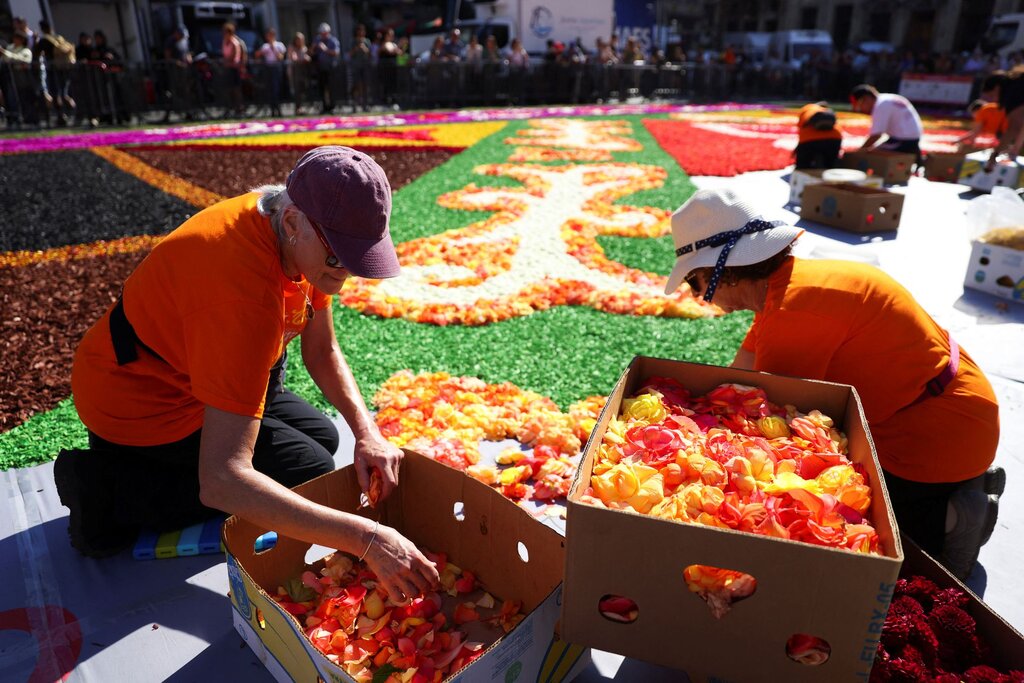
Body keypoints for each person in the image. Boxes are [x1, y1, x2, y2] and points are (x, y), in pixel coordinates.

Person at [57, 146, 440, 601]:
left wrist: (368, 432)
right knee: (309, 470)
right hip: (140, 402)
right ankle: (105, 489)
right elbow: (222, 479)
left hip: (193, 369)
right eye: (340, 258)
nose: (348, 273)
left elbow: (323, 349)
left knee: (324, 439)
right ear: (294, 222)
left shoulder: (289, 230)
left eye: (361, 258)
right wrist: (367, 539)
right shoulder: (243, 298)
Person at [664, 188, 1004, 581]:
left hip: (935, 434)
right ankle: (967, 482)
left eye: (694, 281)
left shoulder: (793, 312)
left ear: (724, 268)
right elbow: (737, 379)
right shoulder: (788, 289)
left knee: (879, 542)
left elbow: (765, 421)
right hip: (952, 409)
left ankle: (958, 512)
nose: (698, 296)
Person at [849, 83, 923, 161]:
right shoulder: (885, 99)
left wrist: (859, 152)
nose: (861, 110)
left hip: (903, 141)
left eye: (860, 106)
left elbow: (876, 135)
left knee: (871, 156)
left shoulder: (881, 105)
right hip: (912, 138)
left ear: (866, 99)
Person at [979, 70, 1024, 171]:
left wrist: (993, 157)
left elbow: (1014, 128)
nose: (993, 100)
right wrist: (1015, 149)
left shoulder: (1014, 92)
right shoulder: (1017, 84)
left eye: (991, 96)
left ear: (996, 88)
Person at [793, 101, 843, 169]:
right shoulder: (827, 112)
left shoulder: (808, 108)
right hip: (835, 137)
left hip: (809, 138)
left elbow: (801, 126)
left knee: (803, 166)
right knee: (830, 165)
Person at [256, 28, 286, 117]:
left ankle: (279, 109)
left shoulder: (279, 45)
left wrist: (273, 48)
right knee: (270, 89)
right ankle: (272, 109)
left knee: (277, 88)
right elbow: (257, 55)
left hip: (276, 68)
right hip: (268, 69)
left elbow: (281, 57)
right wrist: (261, 52)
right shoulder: (265, 46)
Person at [311, 23, 340, 114]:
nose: (323, 35)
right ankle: (324, 107)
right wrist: (314, 47)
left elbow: (336, 53)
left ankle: (332, 107)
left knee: (331, 87)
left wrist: (325, 49)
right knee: (322, 88)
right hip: (320, 67)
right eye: (321, 33)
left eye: (324, 33)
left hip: (331, 67)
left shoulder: (333, 40)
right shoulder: (317, 40)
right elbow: (311, 52)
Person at [221, 22, 247, 117]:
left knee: (236, 89)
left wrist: (225, 61)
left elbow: (233, 56)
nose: (224, 34)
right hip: (227, 68)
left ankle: (239, 109)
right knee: (228, 90)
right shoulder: (224, 41)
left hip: (234, 69)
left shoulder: (235, 42)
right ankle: (230, 108)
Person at [348, 24, 371, 113]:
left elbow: (370, 53)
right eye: (360, 30)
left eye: (363, 30)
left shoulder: (367, 41)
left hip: (365, 66)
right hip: (355, 67)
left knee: (365, 86)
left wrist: (365, 48)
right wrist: (357, 48)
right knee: (356, 86)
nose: (362, 32)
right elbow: (349, 54)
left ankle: (365, 105)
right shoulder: (353, 42)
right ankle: (355, 105)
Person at [287, 32, 311, 115]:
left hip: (303, 72)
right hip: (294, 72)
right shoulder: (291, 47)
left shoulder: (304, 48)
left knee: (303, 89)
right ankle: (298, 108)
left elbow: (307, 58)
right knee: (297, 90)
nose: (300, 41)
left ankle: (302, 108)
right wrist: (300, 59)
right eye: (298, 39)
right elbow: (293, 58)